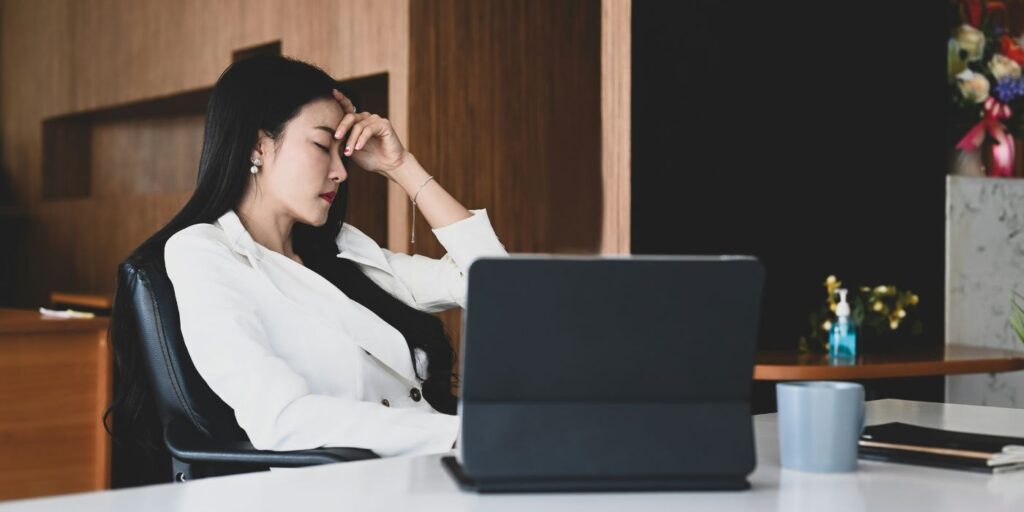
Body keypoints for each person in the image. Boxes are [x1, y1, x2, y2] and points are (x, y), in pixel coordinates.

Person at [104, 55, 508, 470]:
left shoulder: (337, 249)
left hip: (440, 466)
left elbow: (497, 286)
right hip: (352, 485)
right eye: (321, 146)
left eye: (343, 153)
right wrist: (459, 433)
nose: (341, 172)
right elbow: (282, 417)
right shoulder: (203, 252)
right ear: (257, 146)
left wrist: (400, 166)